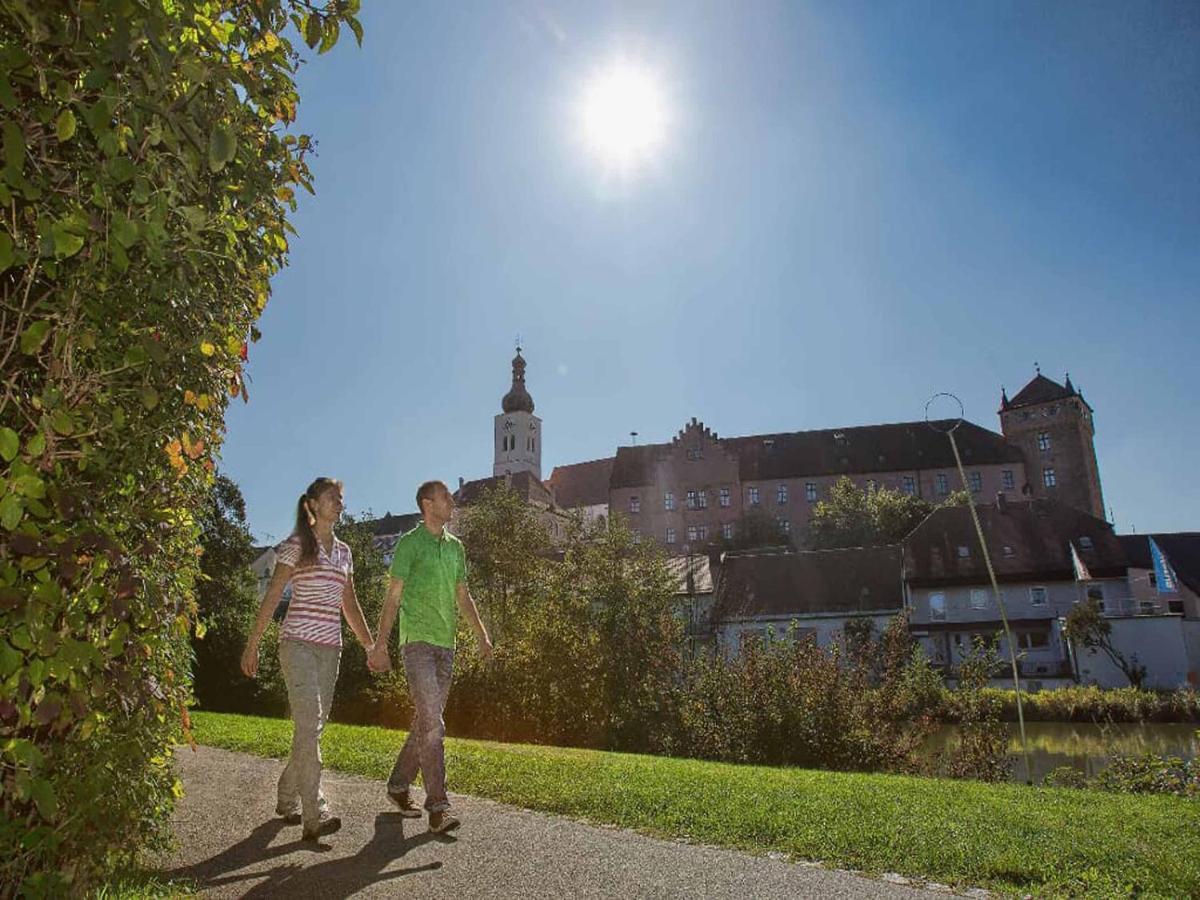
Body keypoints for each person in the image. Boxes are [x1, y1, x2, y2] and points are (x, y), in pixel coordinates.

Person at [241, 477, 375, 842]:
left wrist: (369, 645)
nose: (340, 503)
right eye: (333, 497)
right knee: (310, 722)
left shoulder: (345, 552)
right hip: (297, 644)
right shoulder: (296, 545)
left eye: (342, 498)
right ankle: (314, 813)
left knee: (311, 728)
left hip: (330, 650)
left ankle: (287, 798)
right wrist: (253, 643)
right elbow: (271, 596)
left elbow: (350, 604)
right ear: (313, 504)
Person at [368, 480, 492, 834]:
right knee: (434, 724)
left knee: (426, 721)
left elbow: (463, 596)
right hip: (417, 642)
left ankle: (397, 785)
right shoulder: (409, 544)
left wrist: (481, 635)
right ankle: (438, 806)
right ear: (427, 504)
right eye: (445, 497)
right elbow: (392, 599)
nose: (452, 501)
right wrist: (380, 644)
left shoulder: (455, 548)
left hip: (446, 645)